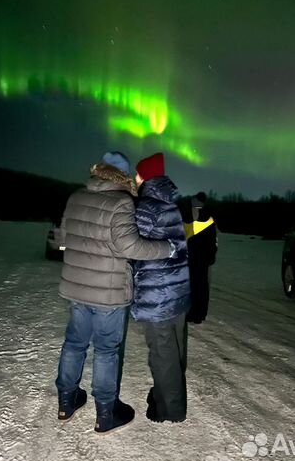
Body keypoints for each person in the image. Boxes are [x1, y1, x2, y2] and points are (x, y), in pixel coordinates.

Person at [56, 151, 176, 435]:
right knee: (106, 350)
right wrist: (165, 248)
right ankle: (106, 413)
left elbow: (62, 238)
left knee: (74, 344)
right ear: (122, 177)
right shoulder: (121, 202)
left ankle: (66, 401)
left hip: (76, 287)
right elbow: (129, 247)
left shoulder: (75, 197)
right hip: (108, 294)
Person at [131, 152, 191, 423]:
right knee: (175, 350)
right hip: (178, 290)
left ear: (144, 176)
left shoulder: (146, 207)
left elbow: (133, 248)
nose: (134, 178)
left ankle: (170, 410)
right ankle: (167, 397)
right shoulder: (171, 204)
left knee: (162, 354)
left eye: (137, 174)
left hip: (158, 295)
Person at [183, 192, 217, 324]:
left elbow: (182, 236)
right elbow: (214, 240)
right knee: (202, 286)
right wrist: (211, 255)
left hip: (189, 257)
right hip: (203, 258)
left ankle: (190, 312)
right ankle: (200, 314)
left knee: (190, 285)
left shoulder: (187, 216)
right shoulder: (209, 218)